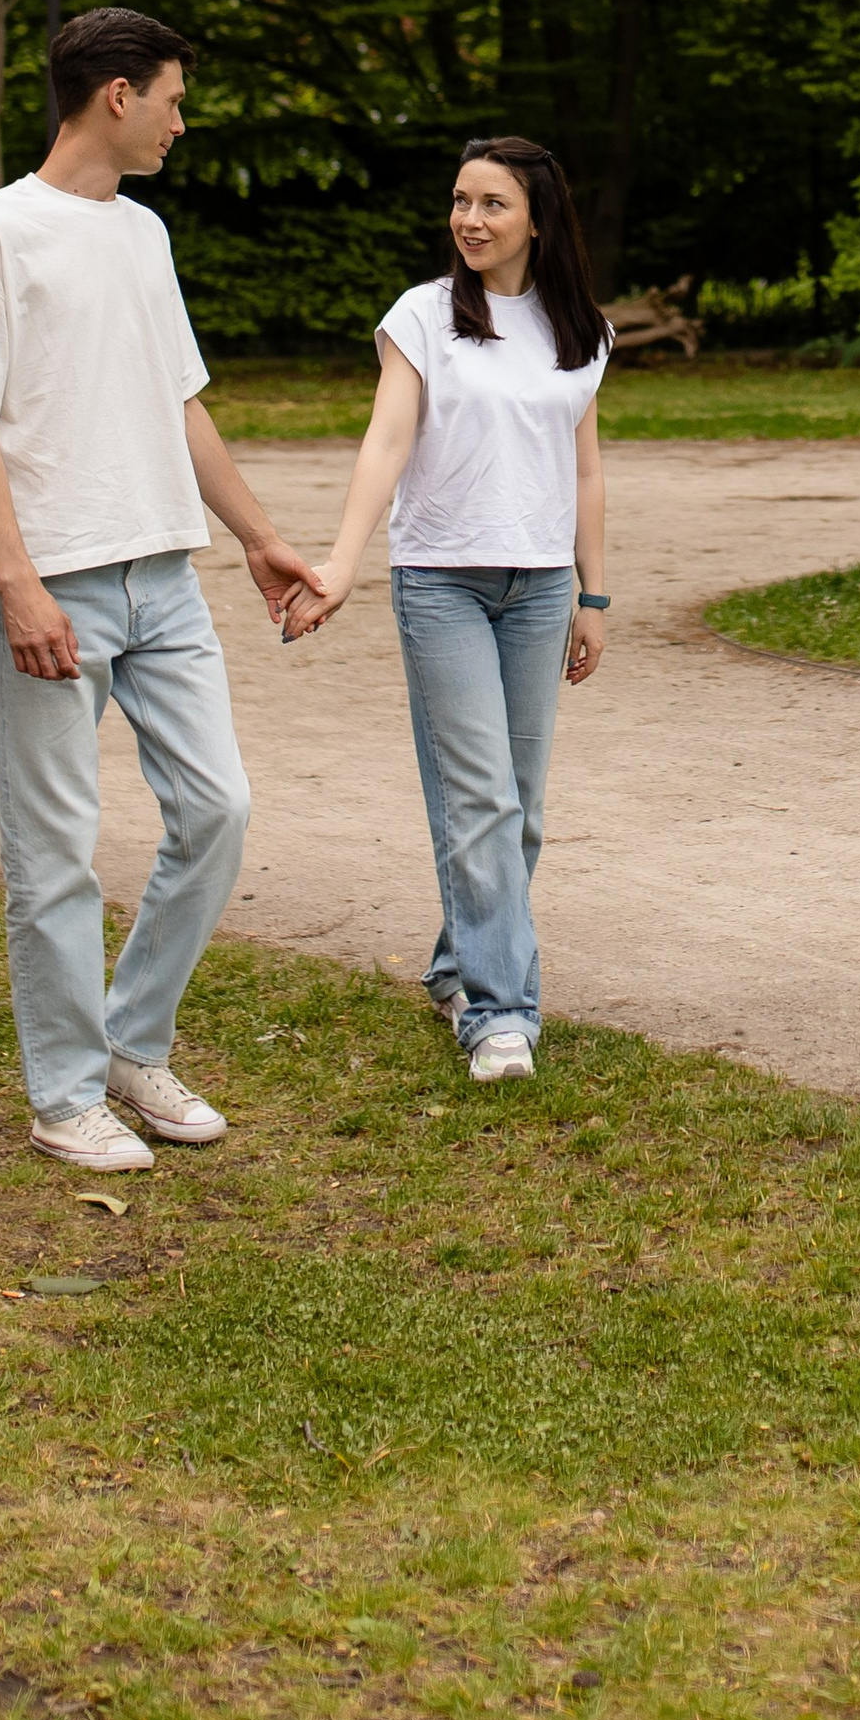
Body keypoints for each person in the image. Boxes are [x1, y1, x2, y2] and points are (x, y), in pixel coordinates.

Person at [0, 3, 324, 1177]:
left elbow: (181, 401)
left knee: (219, 810)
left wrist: (255, 536)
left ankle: (128, 1043)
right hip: (52, 589)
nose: (180, 119)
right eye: (172, 97)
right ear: (117, 96)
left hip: (166, 577)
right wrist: (20, 584)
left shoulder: (144, 235)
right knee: (53, 849)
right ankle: (63, 1096)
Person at [283, 135, 611, 1083]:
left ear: (538, 218)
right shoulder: (424, 316)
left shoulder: (580, 328)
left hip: (543, 585)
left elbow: (585, 469)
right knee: (481, 798)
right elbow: (387, 441)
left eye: (492, 204)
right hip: (442, 584)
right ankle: (502, 1014)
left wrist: (593, 592)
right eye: (461, 200)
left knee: (524, 812)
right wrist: (343, 563)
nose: (470, 219)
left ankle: (454, 965)